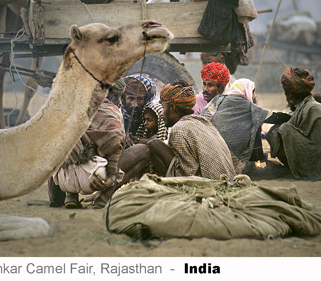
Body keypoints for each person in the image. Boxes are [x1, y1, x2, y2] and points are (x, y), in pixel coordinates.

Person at [49, 80, 150, 209]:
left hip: (63, 180)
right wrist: (111, 178)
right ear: (112, 97)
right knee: (143, 151)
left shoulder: (69, 107)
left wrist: (56, 196)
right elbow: (113, 146)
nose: (120, 103)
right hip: (94, 179)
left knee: (69, 146)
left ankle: (71, 197)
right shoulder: (110, 112)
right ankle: (104, 197)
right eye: (119, 98)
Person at [265, 68, 321, 181]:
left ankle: (299, 170)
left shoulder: (312, 109)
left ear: (290, 96)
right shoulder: (308, 106)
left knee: (281, 131)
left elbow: (295, 135)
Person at [147, 82, 236, 179]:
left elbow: (187, 173)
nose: (161, 114)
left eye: (163, 108)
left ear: (173, 108)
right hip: (227, 179)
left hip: (211, 183)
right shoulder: (202, 122)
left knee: (154, 144)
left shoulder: (179, 128)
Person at [200, 78, 269, 174]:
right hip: (234, 163)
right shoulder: (253, 109)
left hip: (208, 157)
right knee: (256, 123)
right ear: (247, 91)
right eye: (253, 92)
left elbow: (203, 118)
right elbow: (265, 119)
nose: (254, 96)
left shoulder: (218, 99)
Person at [120, 75, 166, 143]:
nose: (135, 105)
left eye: (139, 99)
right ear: (124, 99)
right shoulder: (117, 116)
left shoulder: (154, 113)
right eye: (130, 99)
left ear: (147, 99)